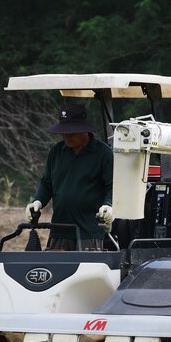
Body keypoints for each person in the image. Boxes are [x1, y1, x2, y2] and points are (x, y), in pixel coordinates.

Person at [26, 103, 114, 251]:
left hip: (89, 232)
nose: (66, 136)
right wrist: (38, 201)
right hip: (60, 229)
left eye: (71, 133)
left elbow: (112, 186)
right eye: (63, 132)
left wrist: (108, 205)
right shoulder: (56, 152)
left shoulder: (103, 154)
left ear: (84, 130)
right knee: (54, 271)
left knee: (87, 273)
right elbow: (47, 183)